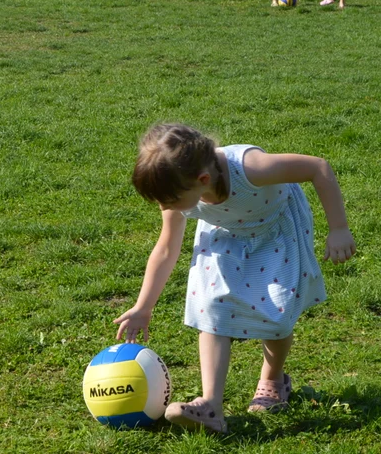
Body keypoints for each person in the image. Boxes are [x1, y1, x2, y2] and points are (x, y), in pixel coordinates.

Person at [115, 124, 356, 434]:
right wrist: (143, 306)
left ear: (202, 180)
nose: (165, 208)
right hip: (225, 236)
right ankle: (211, 406)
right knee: (210, 308)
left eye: (169, 201)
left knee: (277, 316)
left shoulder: (251, 168)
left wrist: (338, 228)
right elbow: (165, 248)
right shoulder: (180, 188)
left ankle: (273, 379)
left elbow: (317, 167)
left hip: (275, 231)